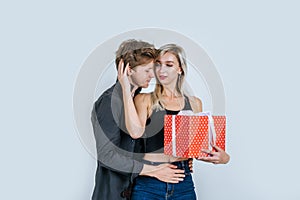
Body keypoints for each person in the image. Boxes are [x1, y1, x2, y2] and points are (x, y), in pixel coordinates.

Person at [119, 43, 230, 199]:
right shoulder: (144, 99)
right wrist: (125, 88)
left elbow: (199, 148)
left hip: (182, 182)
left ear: (180, 69)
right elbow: (135, 132)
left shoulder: (194, 103)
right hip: (150, 182)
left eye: (169, 65)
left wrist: (223, 158)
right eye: (158, 64)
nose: (161, 70)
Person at [91, 40, 187, 200]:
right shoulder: (110, 101)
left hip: (140, 188)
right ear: (129, 70)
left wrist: (182, 159)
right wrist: (153, 170)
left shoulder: (139, 98)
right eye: (148, 70)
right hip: (115, 193)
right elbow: (107, 156)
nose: (153, 74)